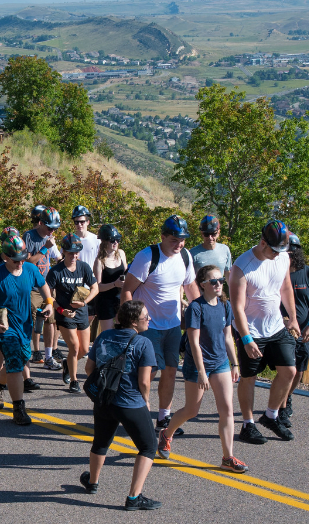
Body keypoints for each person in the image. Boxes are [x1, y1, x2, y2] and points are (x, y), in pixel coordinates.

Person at [159, 265, 247, 473]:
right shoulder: (195, 308)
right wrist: (200, 371)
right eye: (213, 281)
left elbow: (227, 337)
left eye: (220, 281)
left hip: (221, 363)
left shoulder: (225, 305)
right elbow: (194, 342)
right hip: (197, 364)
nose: (218, 285)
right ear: (203, 285)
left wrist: (235, 363)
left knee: (227, 409)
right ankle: (166, 433)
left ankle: (227, 457)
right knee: (192, 410)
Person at [79, 300, 161, 511]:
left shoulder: (104, 336)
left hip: (104, 400)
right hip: (130, 403)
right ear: (134, 322)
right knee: (148, 447)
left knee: (101, 441)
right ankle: (134, 497)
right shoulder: (144, 344)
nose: (148, 319)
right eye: (145, 317)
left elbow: (90, 368)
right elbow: (144, 381)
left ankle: (92, 482)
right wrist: (146, 400)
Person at [121, 215, 199, 435]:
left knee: (171, 371)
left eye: (182, 239)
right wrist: (130, 325)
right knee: (148, 373)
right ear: (163, 236)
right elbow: (128, 289)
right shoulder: (147, 257)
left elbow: (191, 286)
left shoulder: (185, 256)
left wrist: (201, 315)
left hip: (173, 325)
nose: (179, 244)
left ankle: (163, 417)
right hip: (148, 326)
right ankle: (140, 414)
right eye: (174, 239)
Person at [230, 220, 299, 445]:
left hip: (277, 327)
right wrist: (246, 338)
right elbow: (237, 307)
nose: (278, 255)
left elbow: (286, 287)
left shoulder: (283, 258)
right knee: (249, 378)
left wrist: (293, 318)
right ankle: (247, 425)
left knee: (289, 371)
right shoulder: (242, 266)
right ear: (262, 243)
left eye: (282, 250)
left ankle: (271, 416)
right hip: (251, 331)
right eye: (274, 250)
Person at [0, 232, 53, 425]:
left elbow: (44, 285)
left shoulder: (29, 269)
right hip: (4, 328)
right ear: (6, 257)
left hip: (24, 326)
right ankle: (19, 409)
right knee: (16, 366)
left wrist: (49, 303)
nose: (20, 263)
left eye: (22, 258)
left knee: (17, 362)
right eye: (16, 260)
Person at [279, 233, 309, 428]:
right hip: (281, 330)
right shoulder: (279, 272)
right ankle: (279, 410)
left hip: (304, 331)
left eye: (293, 249)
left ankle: (287, 398)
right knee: (285, 370)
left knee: (298, 371)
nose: (290, 253)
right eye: (286, 249)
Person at [48, 234, 98, 392]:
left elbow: (95, 288)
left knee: (84, 349)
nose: (74, 256)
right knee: (75, 348)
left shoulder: (84, 267)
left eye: (76, 252)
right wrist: (60, 310)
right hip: (64, 314)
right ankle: (74, 381)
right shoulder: (56, 271)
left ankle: (66, 364)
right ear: (63, 251)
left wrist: (84, 302)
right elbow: (48, 296)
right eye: (70, 252)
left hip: (82, 312)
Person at [23, 206, 61, 371]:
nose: (52, 231)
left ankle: (49, 356)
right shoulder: (29, 236)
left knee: (50, 321)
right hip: (32, 286)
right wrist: (45, 247)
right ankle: (33, 353)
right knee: (34, 320)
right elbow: (29, 262)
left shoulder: (50, 238)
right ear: (41, 223)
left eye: (54, 228)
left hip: (47, 285)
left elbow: (57, 258)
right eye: (49, 227)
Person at [92, 225, 127, 338]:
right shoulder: (99, 261)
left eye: (117, 239)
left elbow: (126, 272)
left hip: (119, 297)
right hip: (105, 300)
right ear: (104, 242)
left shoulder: (121, 254)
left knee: (122, 329)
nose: (115, 242)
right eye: (112, 240)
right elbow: (98, 287)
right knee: (107, 334)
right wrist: (114, 284)